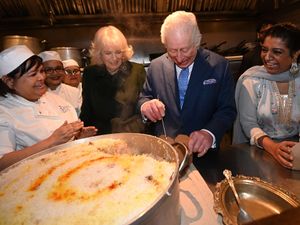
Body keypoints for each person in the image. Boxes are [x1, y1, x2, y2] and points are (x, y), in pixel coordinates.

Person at [137, 11, 236, 157]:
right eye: (172, 50)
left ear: (196, 42)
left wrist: (209, 133)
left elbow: (227, 110)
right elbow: (144, 96)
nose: (179, 57)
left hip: (203, 153)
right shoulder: (156, 66)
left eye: (184, 49)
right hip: (166, 151)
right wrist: (145, 106)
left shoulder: (219, 66)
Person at [0, 45, 97, 170]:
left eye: (41, 71)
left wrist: (78, 139)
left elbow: (66, 145)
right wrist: (52, 141)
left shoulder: (53, 99)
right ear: (9, 81)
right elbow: (2, 162)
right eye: (33, 74)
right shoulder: (4, 111)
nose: (41, 77)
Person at [233, 23, 300, 169]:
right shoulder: (252, 80)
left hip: (294, 152)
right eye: (264, 50)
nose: (267, 57)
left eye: (277, 52)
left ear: (295, 54)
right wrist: (274, 148)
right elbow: (249, 124)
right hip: (259, 153)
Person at [80, 26, 146, 134]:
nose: (114, 58)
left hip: (132, 133)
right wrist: (83, 131)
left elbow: (143, 105)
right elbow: (87, 110)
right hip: (101, 136)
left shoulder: (137, 71)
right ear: (99, 53)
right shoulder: (90, 74)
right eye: (108, 53)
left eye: (118, 52)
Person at [38, 51, 82, 115]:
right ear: (41, 72)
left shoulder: (74, 92)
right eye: (49, 70)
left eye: (58, 69)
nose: (55, 73)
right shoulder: (36, 95)